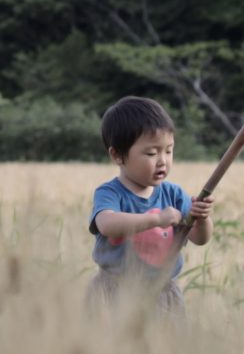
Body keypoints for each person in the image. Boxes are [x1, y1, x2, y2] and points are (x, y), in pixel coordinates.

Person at [86, 97, 212, 312]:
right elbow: (106, 223)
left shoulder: (174, 194)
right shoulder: (110, 193)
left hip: (162, 294)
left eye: (169, 150)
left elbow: (199, 239)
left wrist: (203, 219)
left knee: (165, 345)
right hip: (115, 292)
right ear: (117, 155)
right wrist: (156, 219)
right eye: (152, 153)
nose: (162, 160)